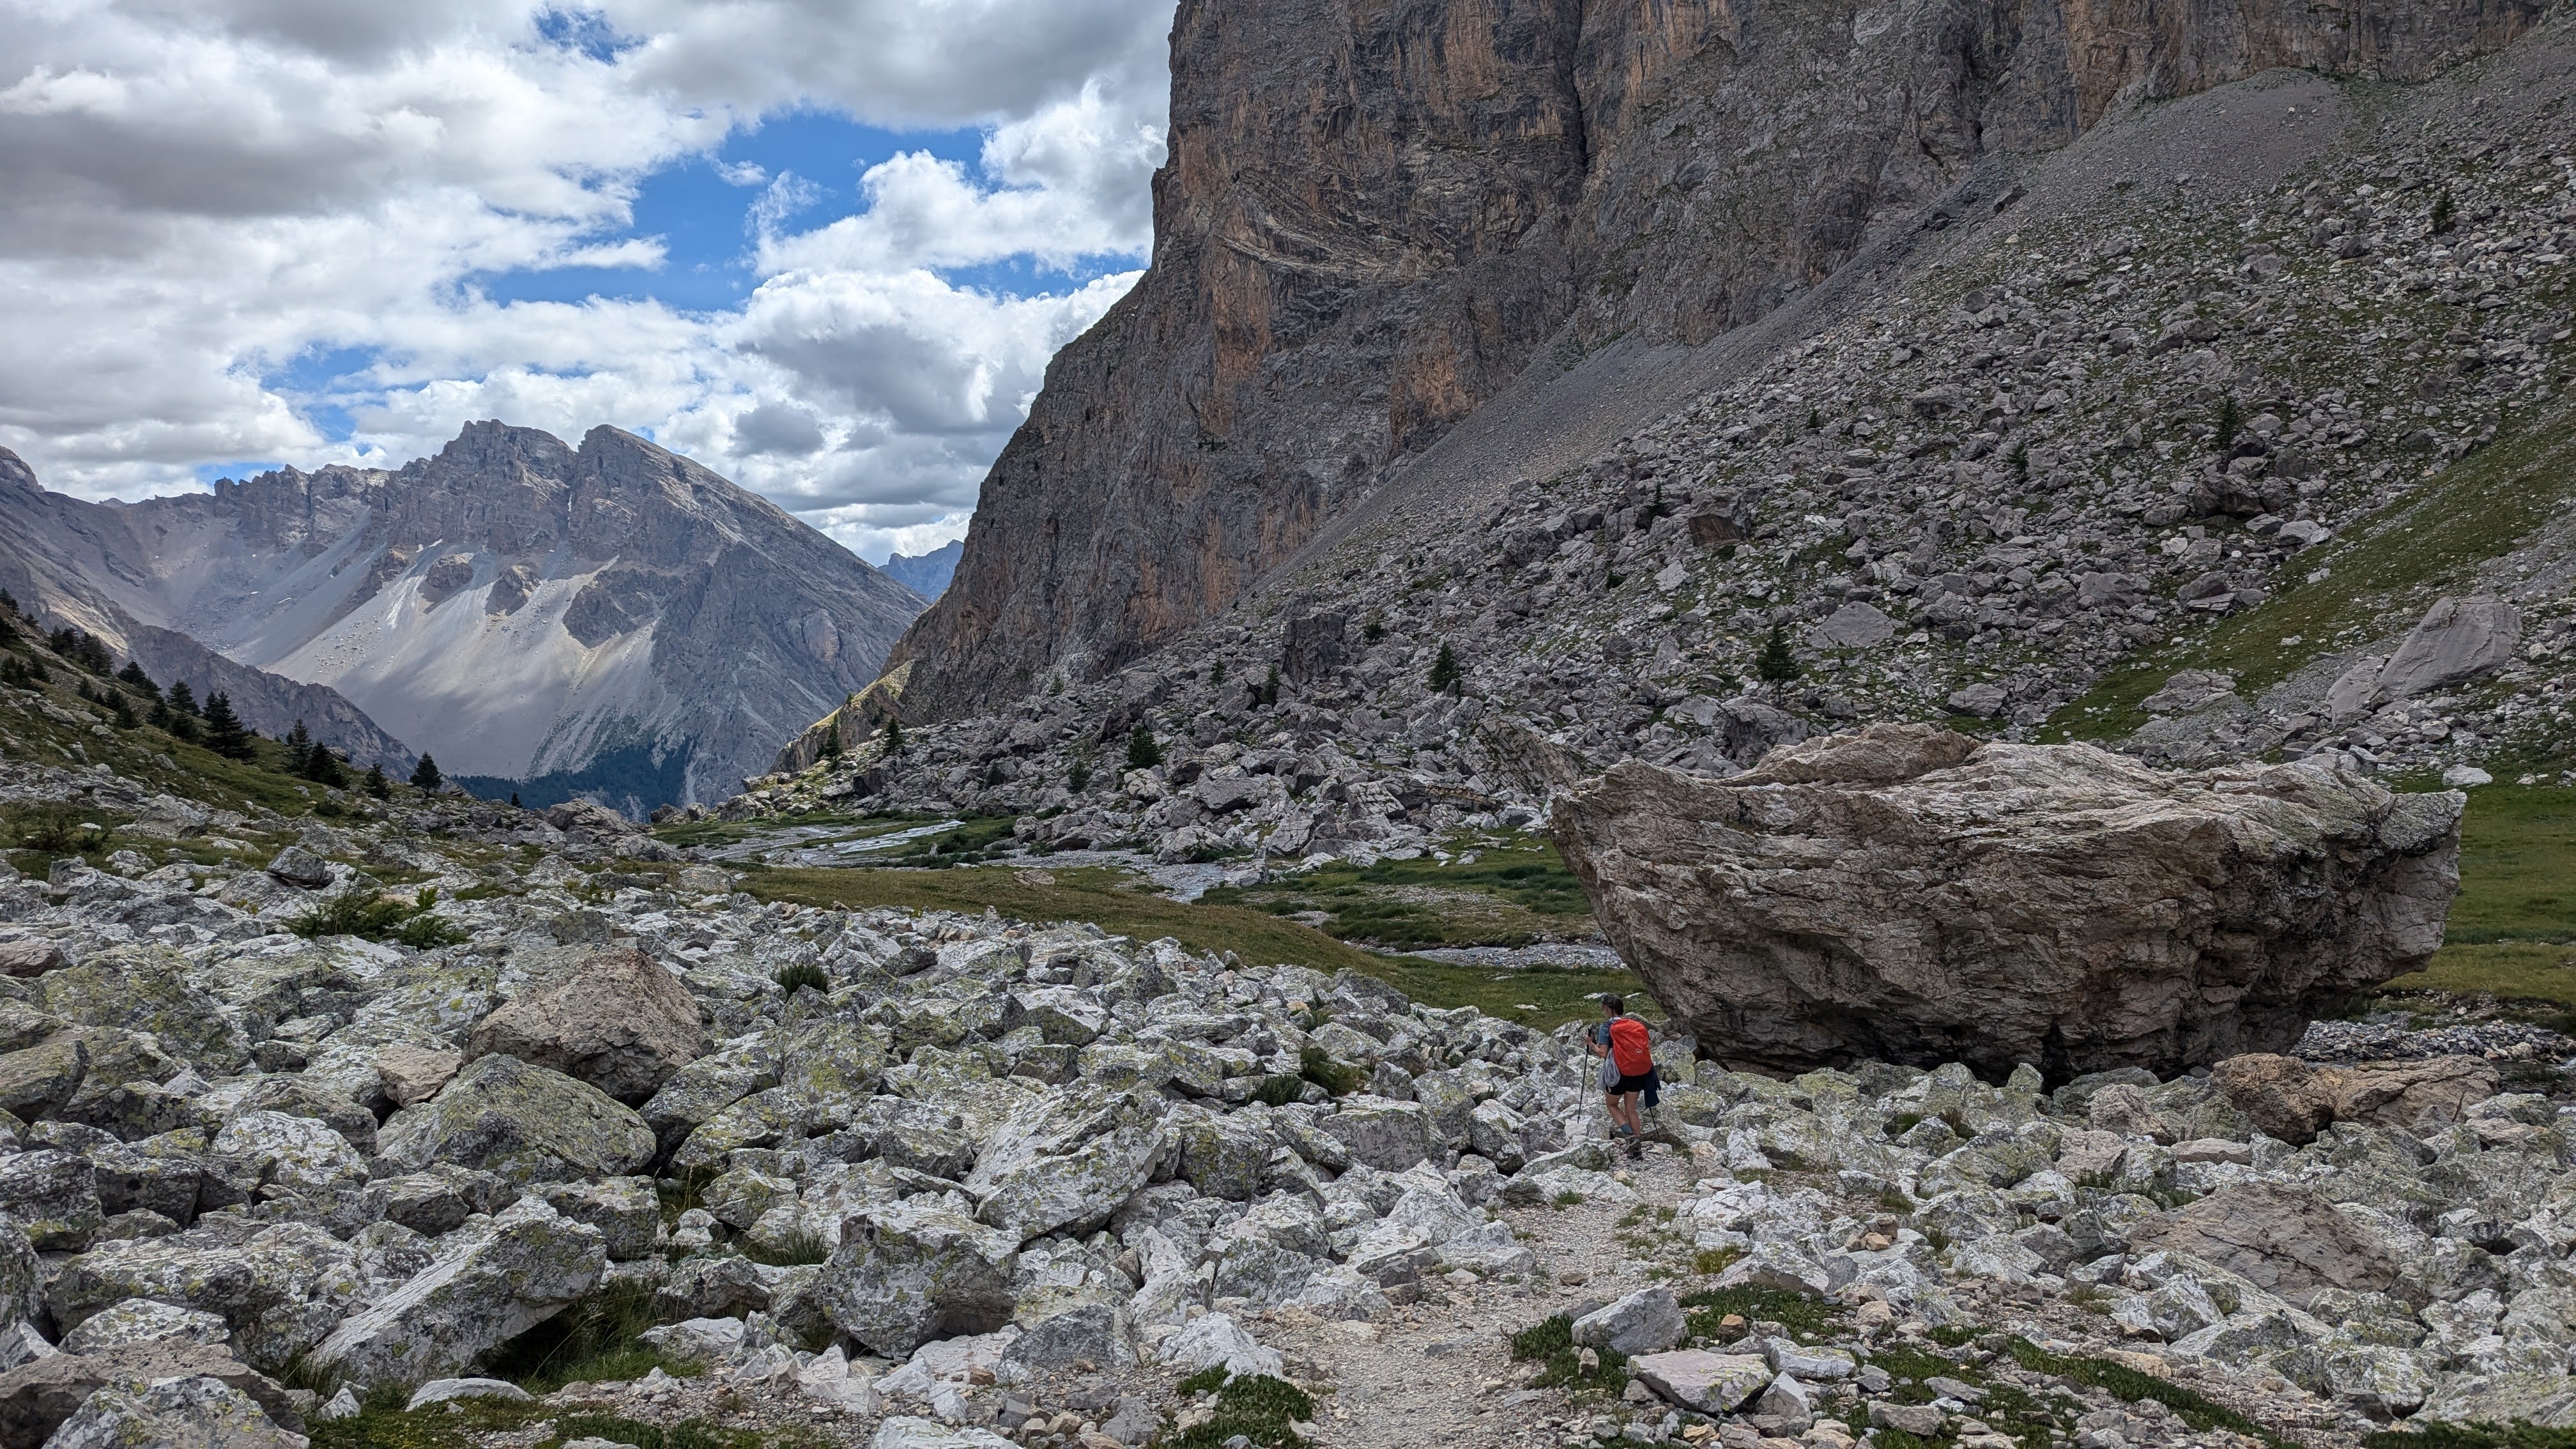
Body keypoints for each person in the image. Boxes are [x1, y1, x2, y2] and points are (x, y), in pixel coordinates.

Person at [1588, 993, 1657, 1159]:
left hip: (1617, 1073)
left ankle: (1630, 1136)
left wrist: (1591, 1044)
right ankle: (1637, 1151)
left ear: (1607, 1009)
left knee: (1612, 1105)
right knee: (1631, 1110)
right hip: (1638, 1072)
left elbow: (1603, 1053)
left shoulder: (1607, 1028)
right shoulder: (1634, 1025)